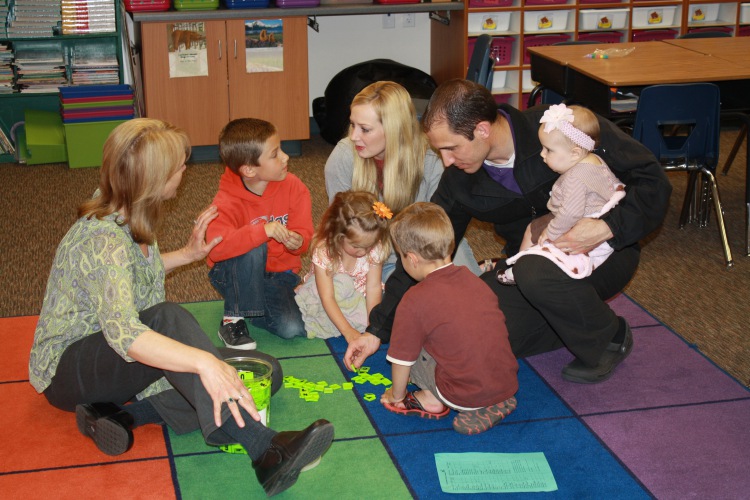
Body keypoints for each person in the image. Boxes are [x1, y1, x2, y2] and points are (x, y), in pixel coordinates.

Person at [28, 118, 334, 497]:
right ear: (153, 179)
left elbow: (131, 273)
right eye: (178, 166)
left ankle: (121, 414)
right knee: (170, 322)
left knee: (262, 371)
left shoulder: (130, 209)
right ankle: (264, 448)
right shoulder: (103, 240)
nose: (185, 170)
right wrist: (203, 363)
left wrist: (188, 254)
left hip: (118, 359)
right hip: (69, 370)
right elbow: (126, 335)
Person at [345, 78, 672, 385]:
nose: (447, 161)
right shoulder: (459, 180)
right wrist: (376, 330)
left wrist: (608, 227)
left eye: (452, 148)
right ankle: (569, 321)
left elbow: (652, 181)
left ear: (482, 130)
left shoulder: (561, 128)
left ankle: (609, 338)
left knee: (533, 272)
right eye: (440, 151)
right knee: (472, 328)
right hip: (527, 269)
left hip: (605, 253)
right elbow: (423, 248)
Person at [380, 203, 518, 435]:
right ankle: (492, 400)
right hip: (505, 383)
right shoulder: (476, 280)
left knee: (411, 341)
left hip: (460, 394)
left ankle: (430, 399)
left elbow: (401, 359)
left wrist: (397, 395)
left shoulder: (414, 299)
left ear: (412, 259)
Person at [324, 80, 481, 280]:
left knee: (469, 288)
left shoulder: (431, 157)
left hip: (428, 248)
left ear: (394, 129)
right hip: (370, 258)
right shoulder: (343, 156)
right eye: (352, 124)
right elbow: (340, 230)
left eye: (365, 129)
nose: (354, 136)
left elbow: (441, 227)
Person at [206, 118, 313, 349]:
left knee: (292, 328)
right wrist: (261, 231)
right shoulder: (226, 200)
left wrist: (298, 241)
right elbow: (215, 248)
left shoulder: (294, 187)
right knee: (255, 243)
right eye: (275, 154)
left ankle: (250, 306)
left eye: (281, 149)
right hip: (233, 274)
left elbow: (305, 235)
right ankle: (233, 319)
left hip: (279, 275)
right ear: (249, 169)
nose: (285, 157)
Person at [498, 103, 626, 284]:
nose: (542, 154)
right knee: (533, 229)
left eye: (548, 150)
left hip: (577, 222)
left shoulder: (576, 177)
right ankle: (522, 264)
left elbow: (570, 213)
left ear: (575, 153)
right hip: (594, 217)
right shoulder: (594, 160)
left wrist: (551, 232)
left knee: (536, 233)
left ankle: (520, 268)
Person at [294, 191, 391, 342]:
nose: (363, 252)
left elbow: (373, 288)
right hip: (328, 294)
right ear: (338, 236)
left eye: (369, 246)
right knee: (343, 283)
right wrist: (348, 332)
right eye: (356, 246)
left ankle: (343, 321)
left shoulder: (375, 248)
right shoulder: (324, 251)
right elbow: (327, 297)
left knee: (389, 313)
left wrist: (372, 326)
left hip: (358, 296)